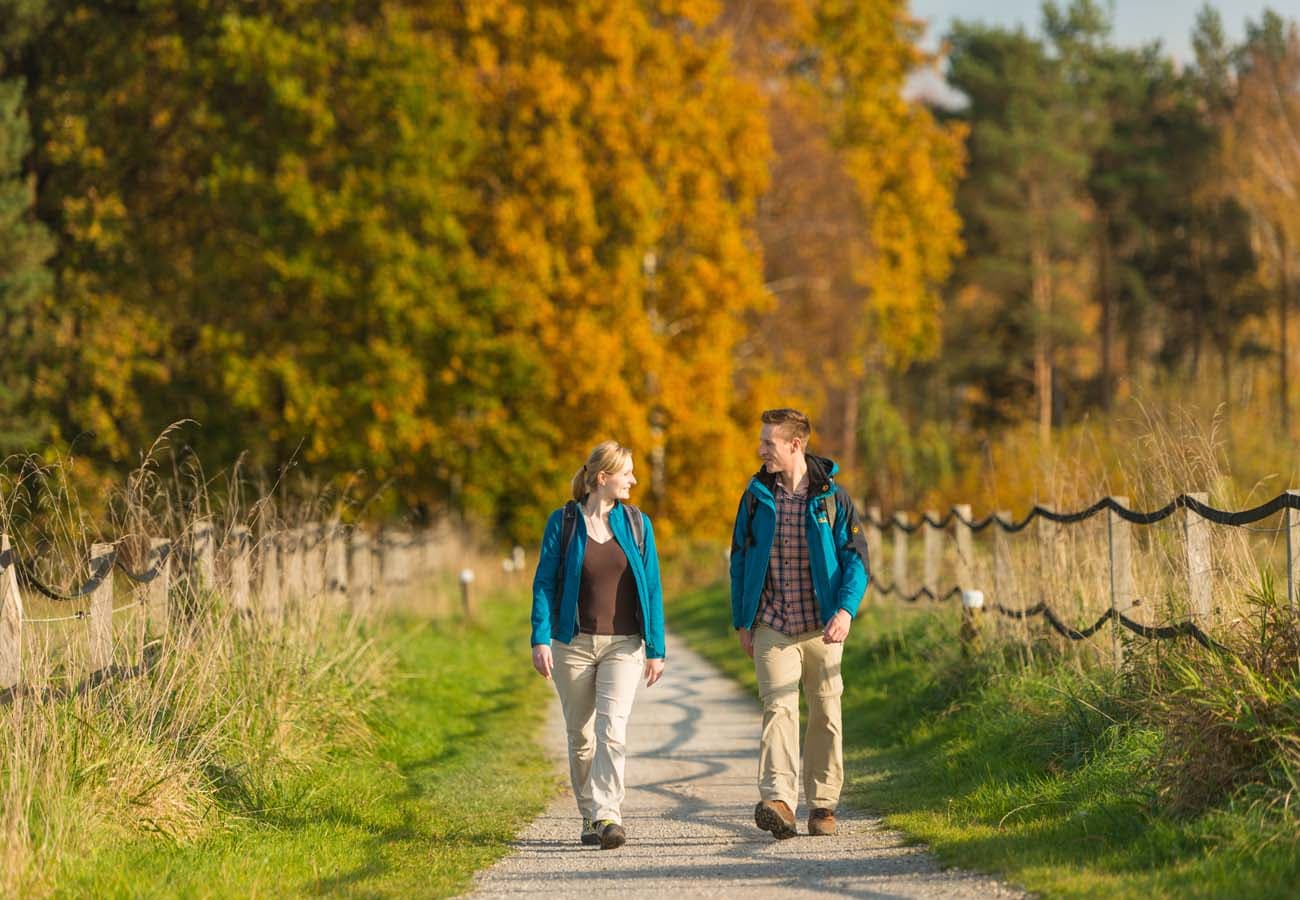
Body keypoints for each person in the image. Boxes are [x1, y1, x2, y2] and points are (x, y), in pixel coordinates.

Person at [728, 408, 869, 839]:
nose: (760, 450)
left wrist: (845, 610)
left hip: (822, 624)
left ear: (795, 445)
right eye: (762, 441)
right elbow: (739, 557)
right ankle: (780, 801)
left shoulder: (832, 498)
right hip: (772, 620)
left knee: (826, 709)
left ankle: (822, 805)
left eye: (768, 442)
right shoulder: (755, 496)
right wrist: (742, 620)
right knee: (778, 707)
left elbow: (857, 559)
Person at [531, 440, 667, 850]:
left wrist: (656, 646)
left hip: (623, 645)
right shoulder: (564, 522)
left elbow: (654, 586)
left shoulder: (638, 523)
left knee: (613, 729)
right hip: (572, 643)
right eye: (627, 473)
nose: (634, 479)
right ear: (602, 478)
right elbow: (544, 583)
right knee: (581, 734)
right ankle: (590, 815)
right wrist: (541, 638)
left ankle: (608, 813)